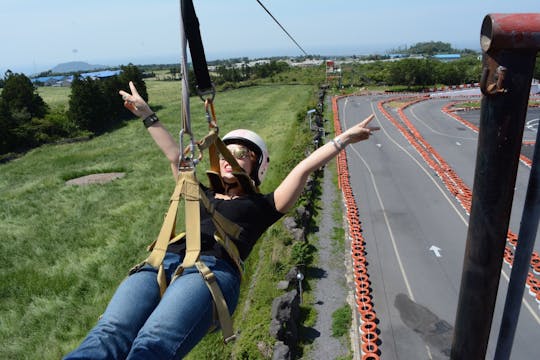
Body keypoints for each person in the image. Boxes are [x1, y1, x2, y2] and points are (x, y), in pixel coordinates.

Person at [65, 81, 379, 359]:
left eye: (242, 152)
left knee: (151, 345)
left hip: (212, 271)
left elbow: (303, 169)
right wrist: (148, 114)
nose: (231, 157)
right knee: (108, 334)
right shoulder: (198, 192)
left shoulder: (263, 206)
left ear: (257, 165)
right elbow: (177, 157)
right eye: (227, 151)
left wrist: (344, 139)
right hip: (161, 261)